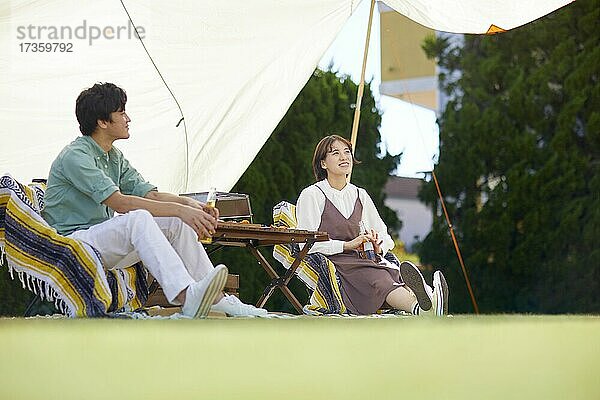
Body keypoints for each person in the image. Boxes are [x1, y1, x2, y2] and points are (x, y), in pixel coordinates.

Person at [42, 82, 267, 318]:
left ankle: (218, 300)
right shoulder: (76, 157)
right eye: (121, 113)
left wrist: (189, 205)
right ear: (102, 122)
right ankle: (185, 296)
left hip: (101, 240)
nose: (128, 118)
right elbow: (120, 203)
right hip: (71, 244)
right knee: (138, 219)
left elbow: (151, 195)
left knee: (175, 222)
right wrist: (179, 211)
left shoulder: (113, 156)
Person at [296, 135, 448, 316]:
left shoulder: (360, 195)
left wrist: (379, 246)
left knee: (392, 271)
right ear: (323, 164)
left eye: (347, 152)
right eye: (336, 153)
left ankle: (428, 304)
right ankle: (425, 306)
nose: (344, 157)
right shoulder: (312, 195)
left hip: (365, 258)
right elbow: (305, 243)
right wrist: (347, 245)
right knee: (380, 278)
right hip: (337, 263)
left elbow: (383, 235)